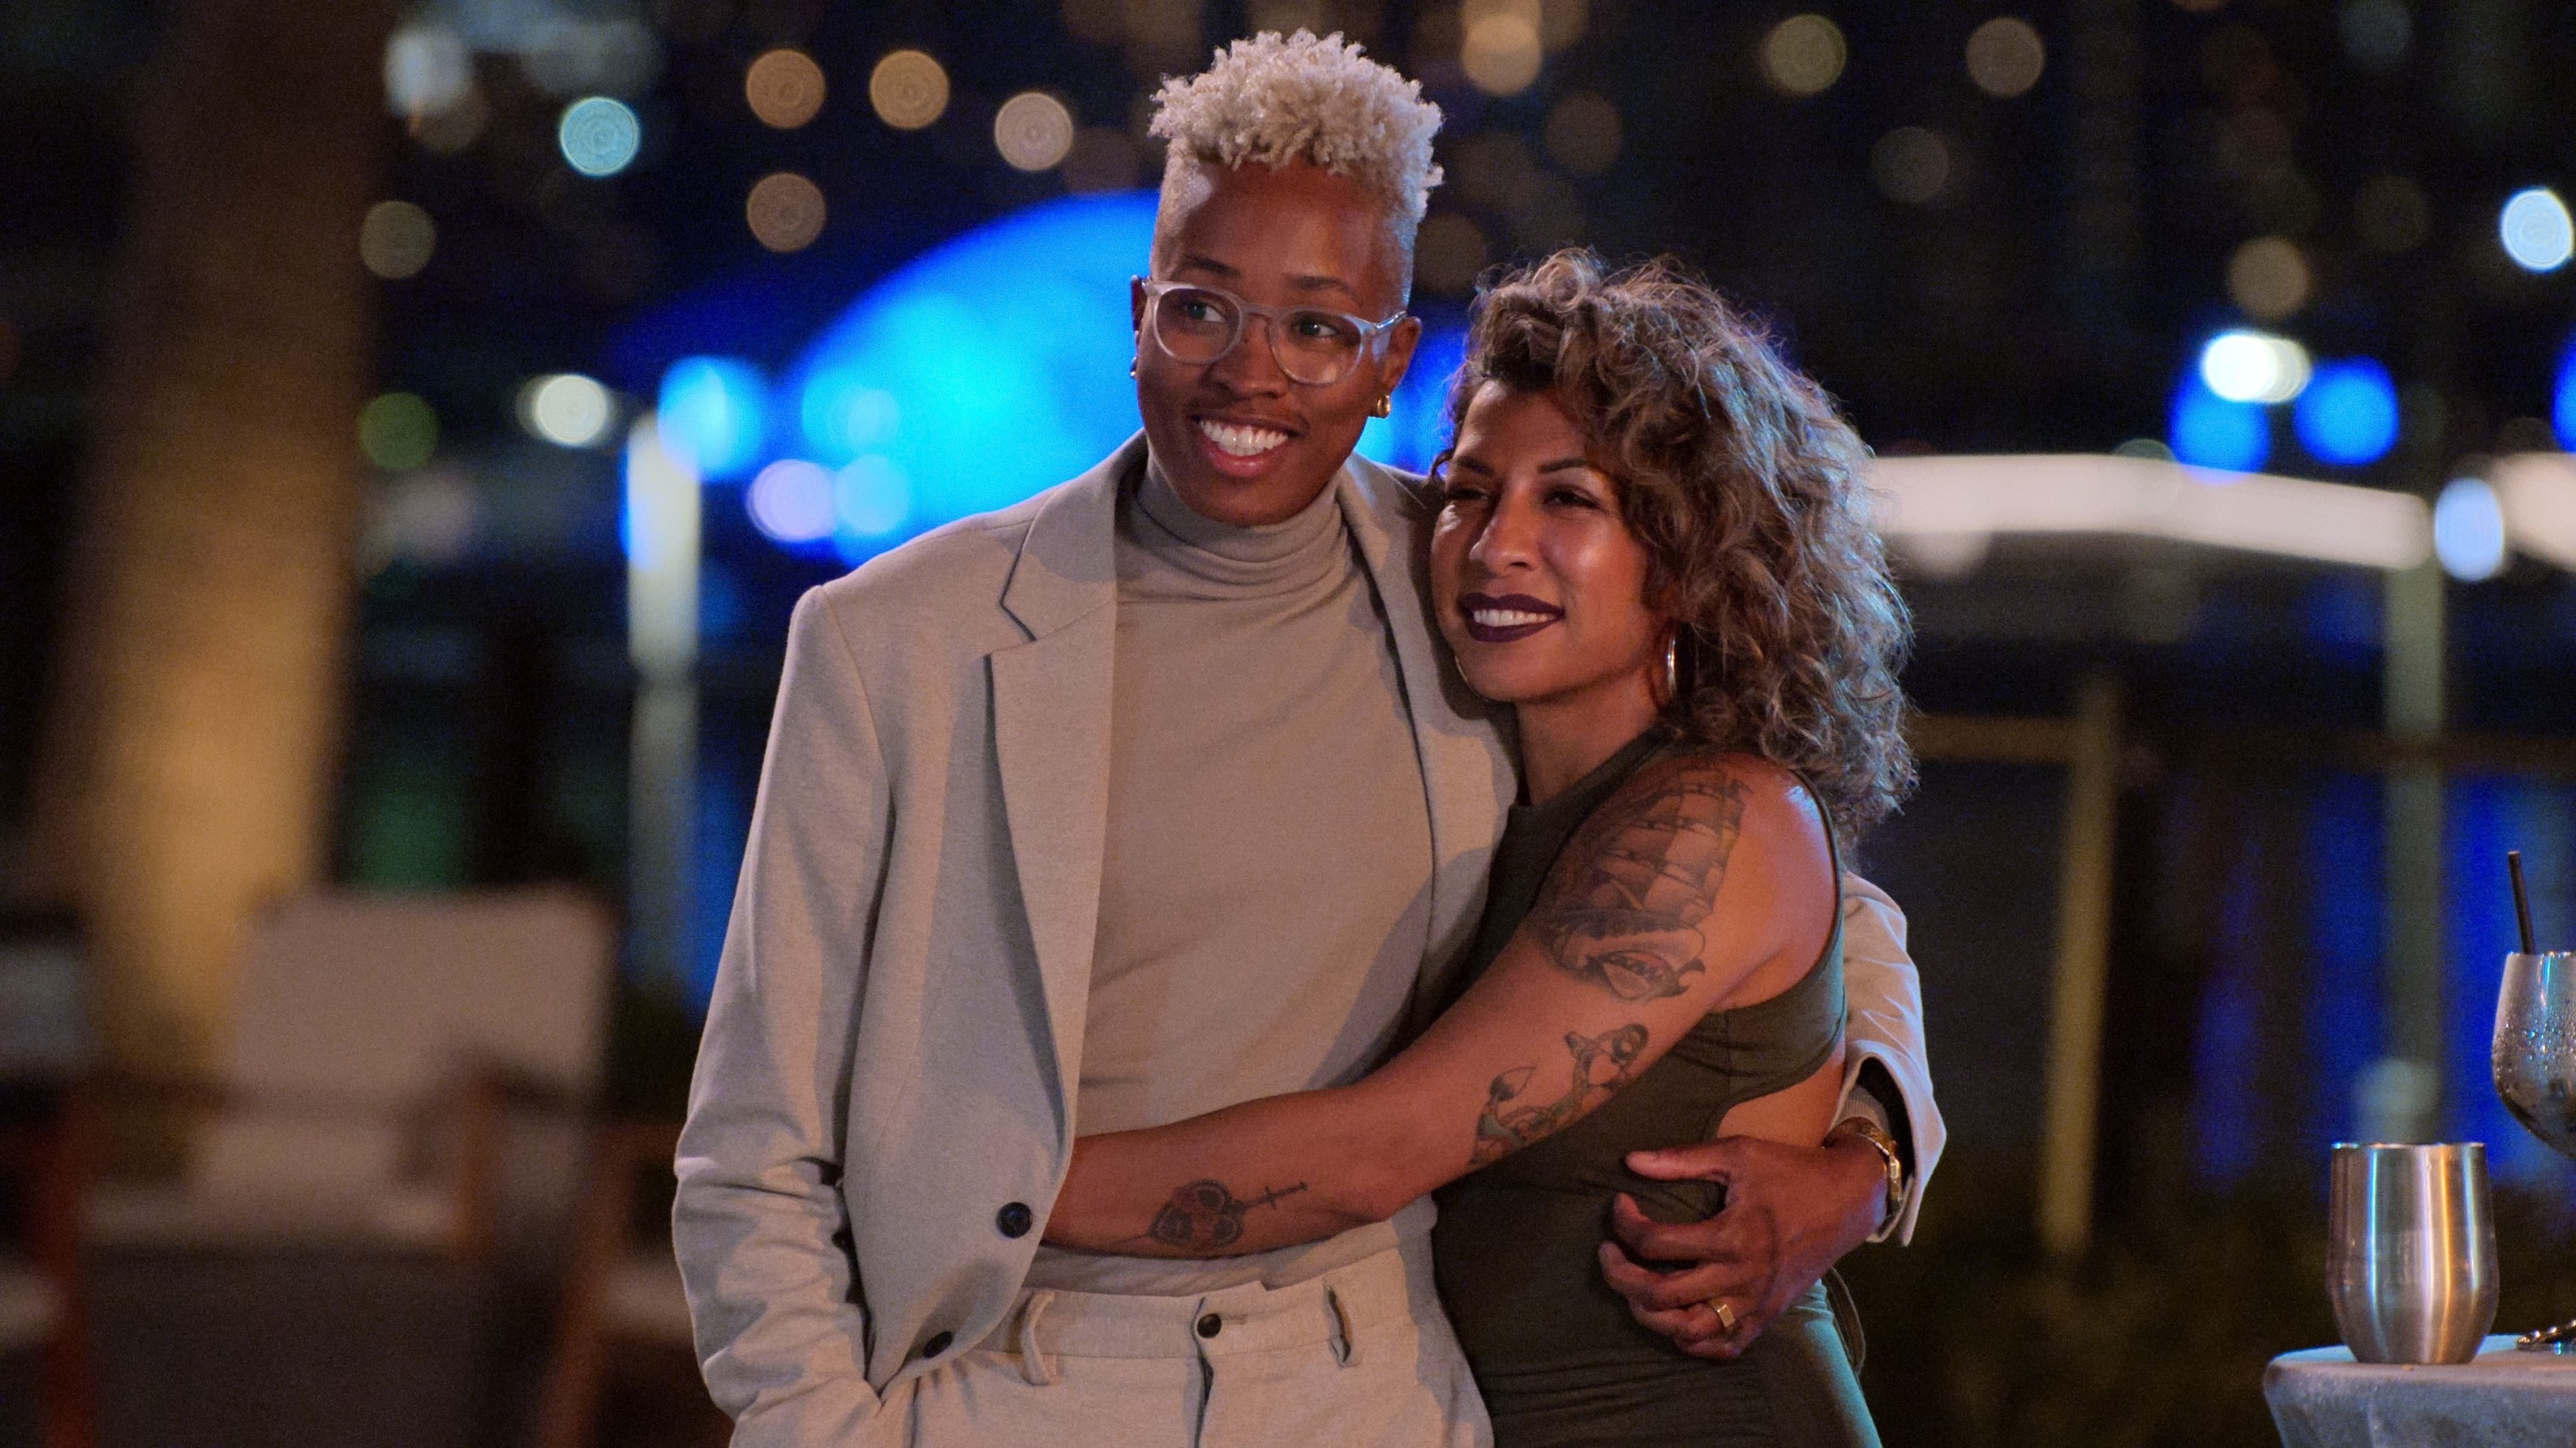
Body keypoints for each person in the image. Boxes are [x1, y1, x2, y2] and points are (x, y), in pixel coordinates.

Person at [672, 31, 1940, 1448]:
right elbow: (756, 1144)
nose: (1251, 375)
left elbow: (1799, 892)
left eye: (1318, 326)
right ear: (1143, 311)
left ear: (1392, 356)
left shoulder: (1459, 584)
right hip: (1009, 1373)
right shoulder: (897, 639)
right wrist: (824, 1422)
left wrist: (1866, 1151)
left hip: (1371, 1389)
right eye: (1205, 311)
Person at [1042, 251, 1910, 1447]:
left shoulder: (1716, 821)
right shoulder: (1488, 785)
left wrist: (980, 1188)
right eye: (1467, 490)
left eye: (1571, 500)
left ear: (1691, 555)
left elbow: (1376, 1151)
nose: (1497, 542)